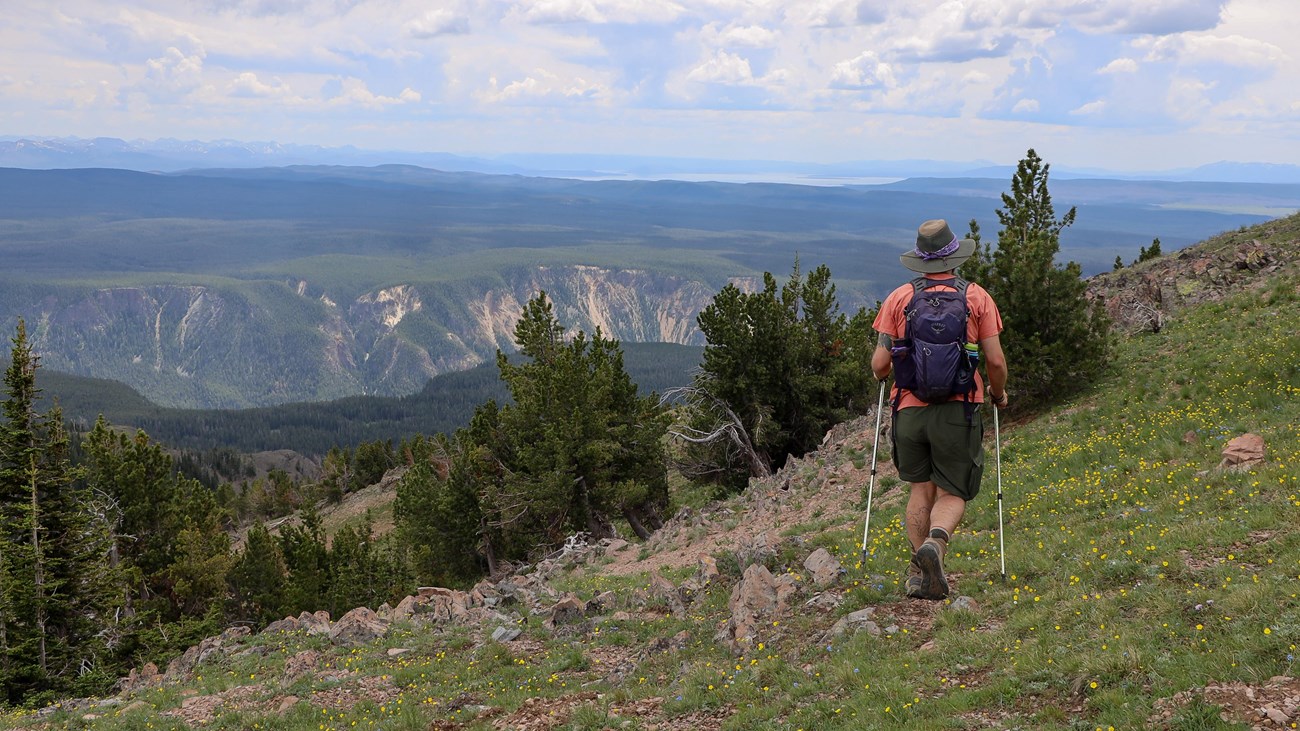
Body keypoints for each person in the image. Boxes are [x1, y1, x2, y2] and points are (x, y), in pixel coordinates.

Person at [870, 219, 1009, 600]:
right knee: (953, 491)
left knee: (920, 489)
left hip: (910, 411)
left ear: (919, 259)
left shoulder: (898, 298)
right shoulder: (977, 298)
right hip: (958, 409)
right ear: (955, 257)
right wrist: (999, 395)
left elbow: (880, 366)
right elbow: (994, 361)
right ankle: (937, 543)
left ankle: (920, 571)